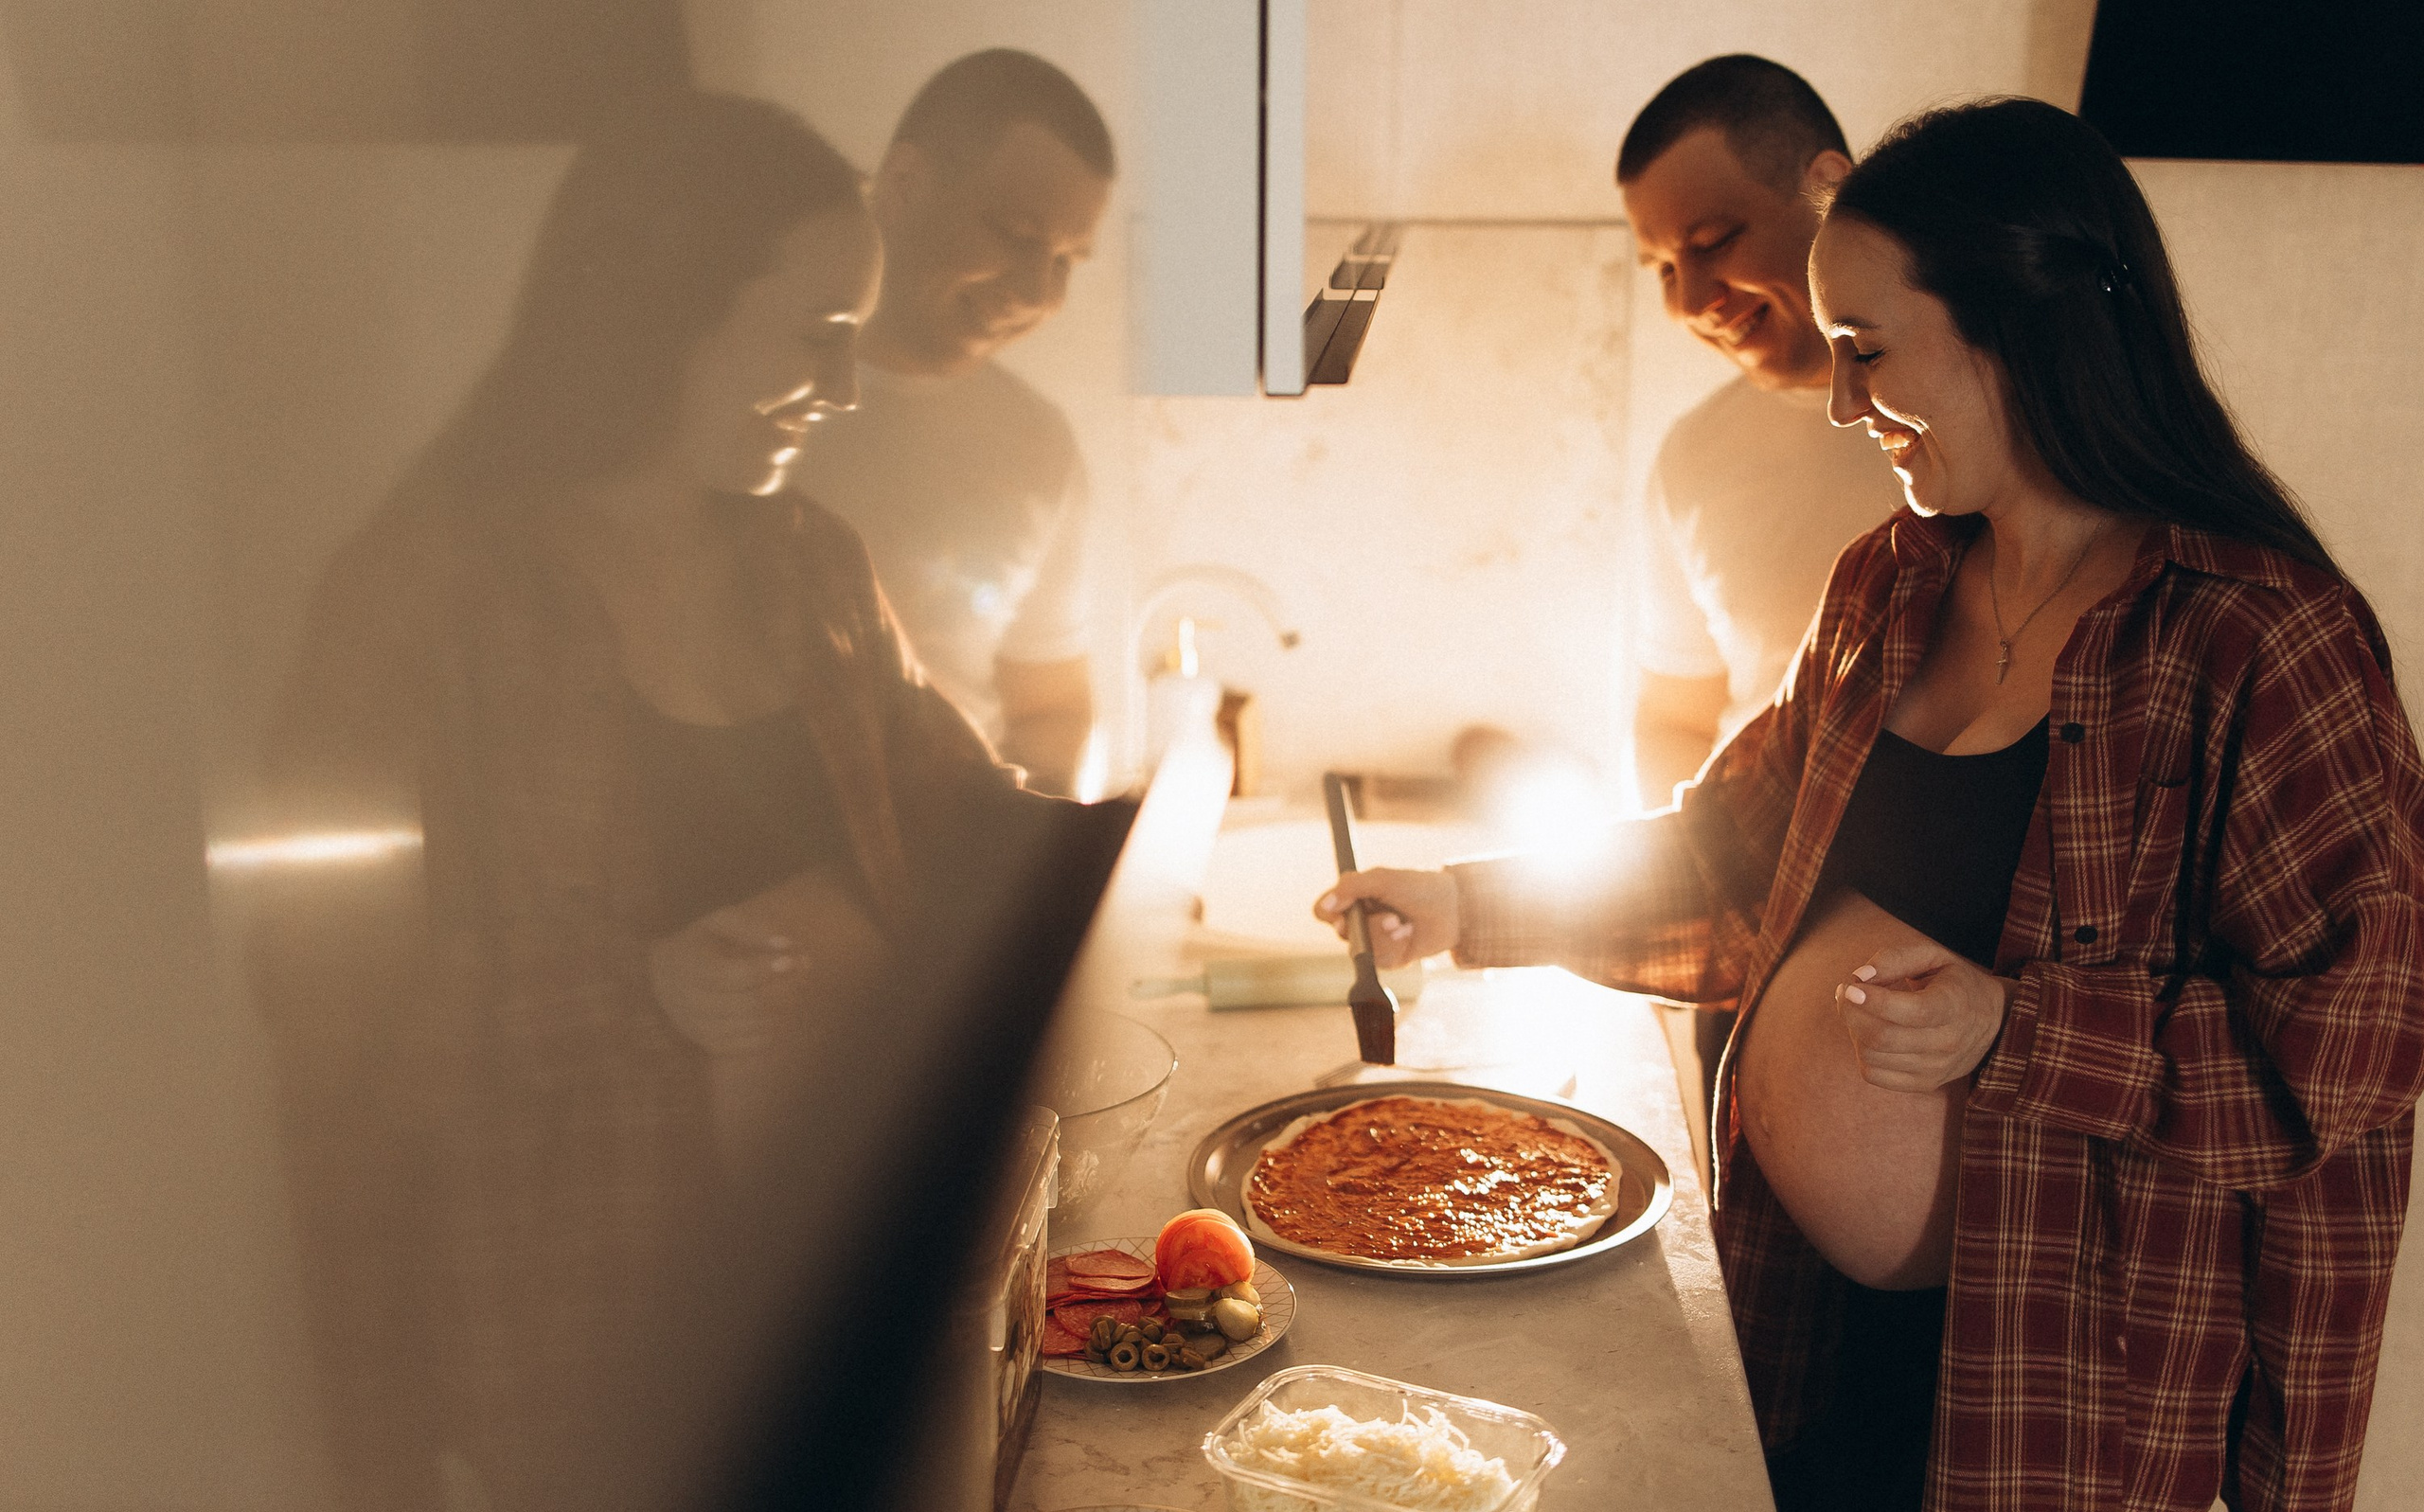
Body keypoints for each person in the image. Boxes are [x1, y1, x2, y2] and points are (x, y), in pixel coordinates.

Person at [1320, 98, 2424, 1512]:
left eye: (1870, 349)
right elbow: (1730, 864)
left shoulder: (2259, 640)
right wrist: (1465, 904)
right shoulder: (1891, 586)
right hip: (1811, 1331)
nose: (1842, 402)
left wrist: (2015, 1029)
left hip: (2059, 1388)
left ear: (2020, 329)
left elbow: (2348, 1050)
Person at [251, 95, 1029, 1512]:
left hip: (844, 1284)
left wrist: (1126, 839)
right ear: (662, 309)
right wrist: (627, 988)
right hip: (598, 1345)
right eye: (815, 333)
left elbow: (961, 813)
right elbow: (327, 1012)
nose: (843, 389)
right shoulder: (421, 609)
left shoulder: (810, 565)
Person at [790, 48, 1114, 794]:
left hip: (953, 847)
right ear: (903, 186)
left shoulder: (1040, 444)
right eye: (1016, 235)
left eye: (1067, 260)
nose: (1038, 291)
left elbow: (1049, 709)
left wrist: (1038, 841)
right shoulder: (756, 396)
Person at [1619, 56, 1904, 807]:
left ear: (1831, 190)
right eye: (1663, 269)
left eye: (1713, 241)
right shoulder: (1690, 458)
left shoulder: (1987, 406)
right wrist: (1682, 866)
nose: (1690, 302)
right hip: (1753, 864)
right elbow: (1676, 721)